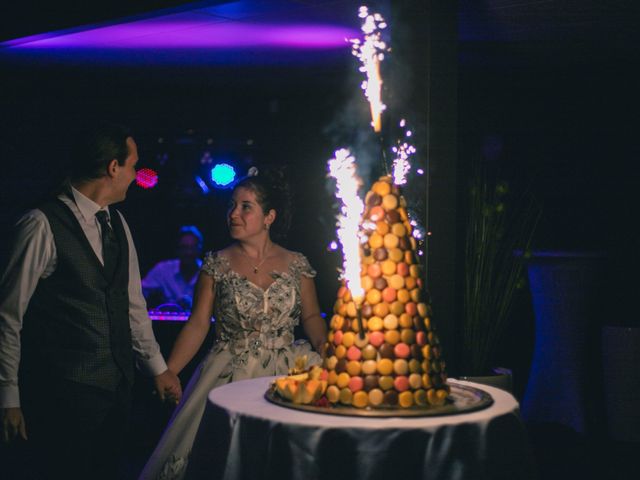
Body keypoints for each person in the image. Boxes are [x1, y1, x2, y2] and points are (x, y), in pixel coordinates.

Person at [0, 123, 182, 479]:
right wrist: (8, 396)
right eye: (133, 166)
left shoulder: (118, 223)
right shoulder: (40, 224)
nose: (135, 176)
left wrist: (157, 368)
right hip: (60, 393)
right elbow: (7, 317)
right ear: (113, 168)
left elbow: (132, 305)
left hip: (116, 393)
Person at [140, 169, 327, 479]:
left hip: (287, 372)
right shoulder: (215, 264)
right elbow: (198, 323)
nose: (233, 214)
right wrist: (170, 370)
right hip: (229, 373)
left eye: (245, 207)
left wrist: (324, 345)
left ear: (269, 217)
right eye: (231, 205)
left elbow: (310, 316)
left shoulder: (297, 264)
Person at [142, 225, 204, 309]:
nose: (188, 252)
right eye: (184, 247)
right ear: (177, 249)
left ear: (200, 249)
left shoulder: (208, 272)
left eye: (192, 248)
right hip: (165, 322)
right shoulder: (163, 270)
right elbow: (139, 292)